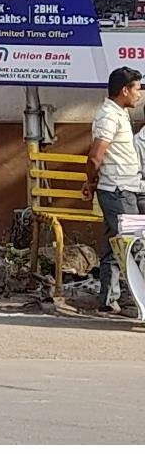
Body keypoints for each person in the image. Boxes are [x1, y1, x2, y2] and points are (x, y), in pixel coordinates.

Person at [84, 66, 145, 314]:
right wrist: (89, 182)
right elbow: (95, 156)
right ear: (124, 90)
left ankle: (107, 301)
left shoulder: (118, 113)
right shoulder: (109, 116)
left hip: (124, 188)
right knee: (136, 246)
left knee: (113, 246)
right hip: (118, 192)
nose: (139, 95)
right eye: (137, 89)